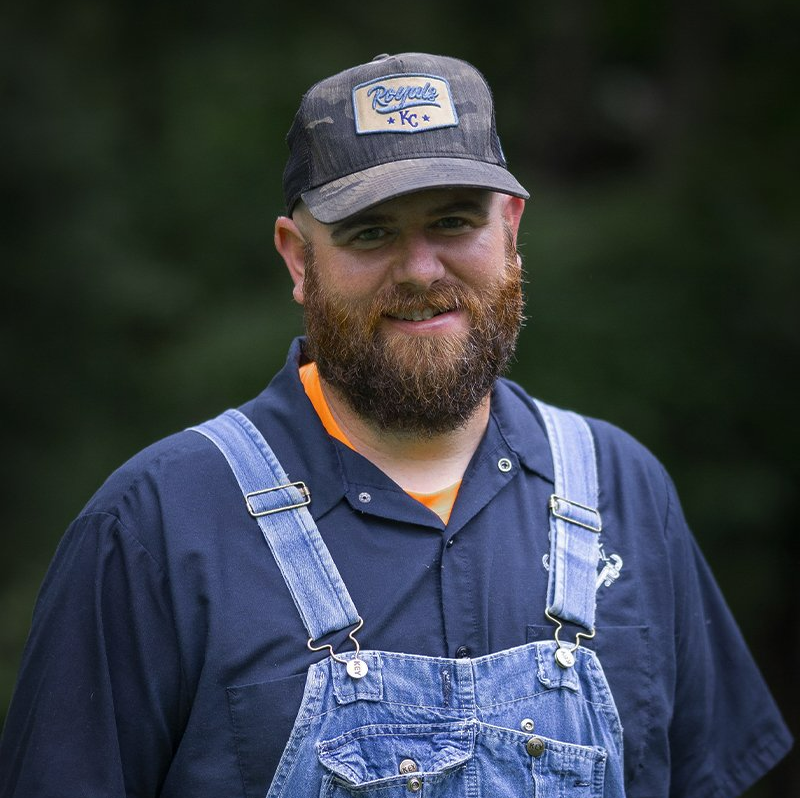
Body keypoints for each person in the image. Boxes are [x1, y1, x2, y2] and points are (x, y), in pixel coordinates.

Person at [0, 52, 792, 798]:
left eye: (453, 221)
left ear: (510, 228)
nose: (420, 269)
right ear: (298, 258)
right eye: (371, 232)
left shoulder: (623, 487)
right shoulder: (153, 527)